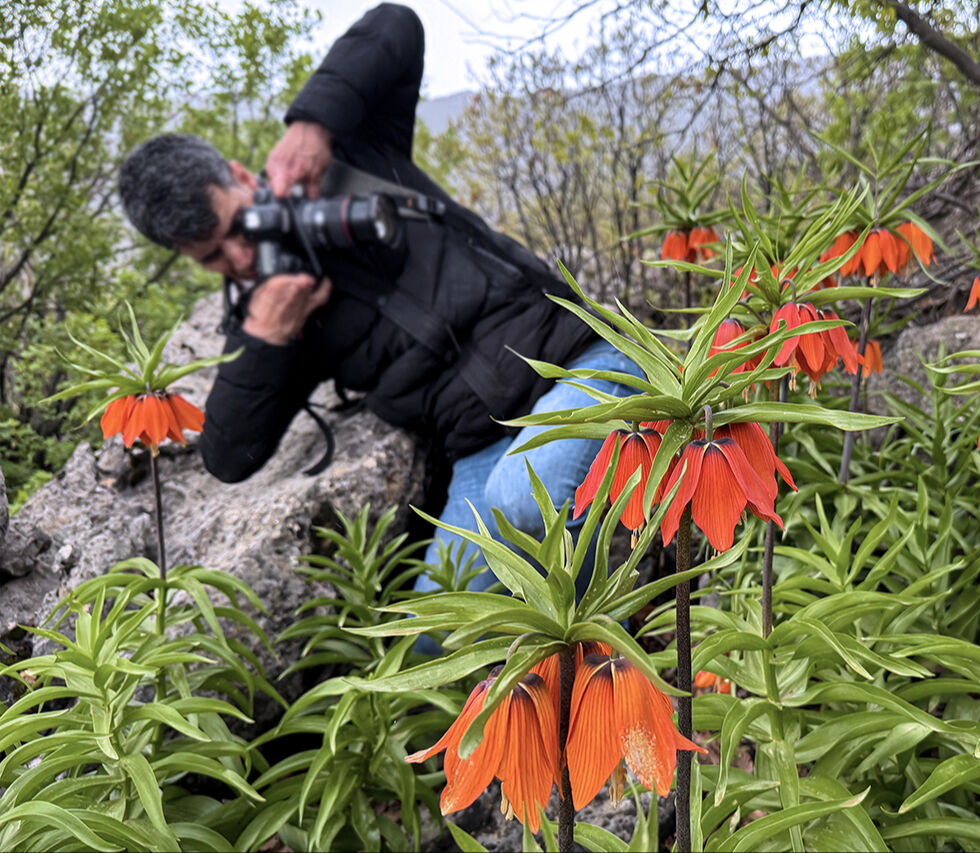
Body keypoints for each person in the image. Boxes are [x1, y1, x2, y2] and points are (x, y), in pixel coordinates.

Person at [117, 3, 641, 605]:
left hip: (583, 362)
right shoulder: (269, 312)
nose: (239, 257)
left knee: (525, 502)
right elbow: (229, 456)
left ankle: (608, 675)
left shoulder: (354, 158)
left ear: (240, 174)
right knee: (434, 634)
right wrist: (266, 338)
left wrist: (312, 123)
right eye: (212, 258)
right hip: (483, 442)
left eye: (240, 226)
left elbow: (397, 25)